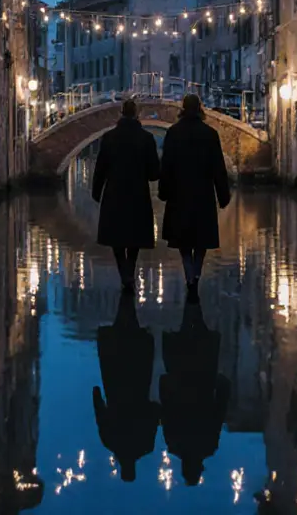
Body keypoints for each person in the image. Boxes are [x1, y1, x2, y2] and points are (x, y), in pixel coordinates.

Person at [158, 93, 231, 296]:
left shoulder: (173, 133)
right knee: (201, 239)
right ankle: (195, 274)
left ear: (182, 108)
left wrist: (163, 192)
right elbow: (219, 168)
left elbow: (166, 166)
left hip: (179, 194)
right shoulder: (210, 134)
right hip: (203, 194)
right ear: (200, 108)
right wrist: (223, 196)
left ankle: (189, 273)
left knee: (183, 240)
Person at [159, 297, 230, 487]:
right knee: (187, 332)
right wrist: (165, 384)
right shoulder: (173, 443)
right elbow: (166, 412)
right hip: (181, 375)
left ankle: (193, 298)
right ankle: (192, 295)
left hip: (202, 378)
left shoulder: (208, 446)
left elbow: (218, 412)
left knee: (197, 331)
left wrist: (222, 385)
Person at [92, 99, 161, 290]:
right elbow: (154, 173)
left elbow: (100, 169)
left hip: (114, 192)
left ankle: (125, 273)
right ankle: (129, 271)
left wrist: (96, 192)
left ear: (121, 113)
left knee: (116, 236)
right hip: (138, 192)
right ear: (136, 114)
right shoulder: (147, 138)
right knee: (134, 236)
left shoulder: (109, 137)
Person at [92, 291, 160, 482]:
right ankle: (126, 294)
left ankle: (127, 293)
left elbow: (154, 412)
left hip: (137, 377)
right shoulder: (109, 440)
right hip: (116, 375)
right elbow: (99, 410)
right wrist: (96, 394)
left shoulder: (146, 444)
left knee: (131, 329)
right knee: (122, 329)